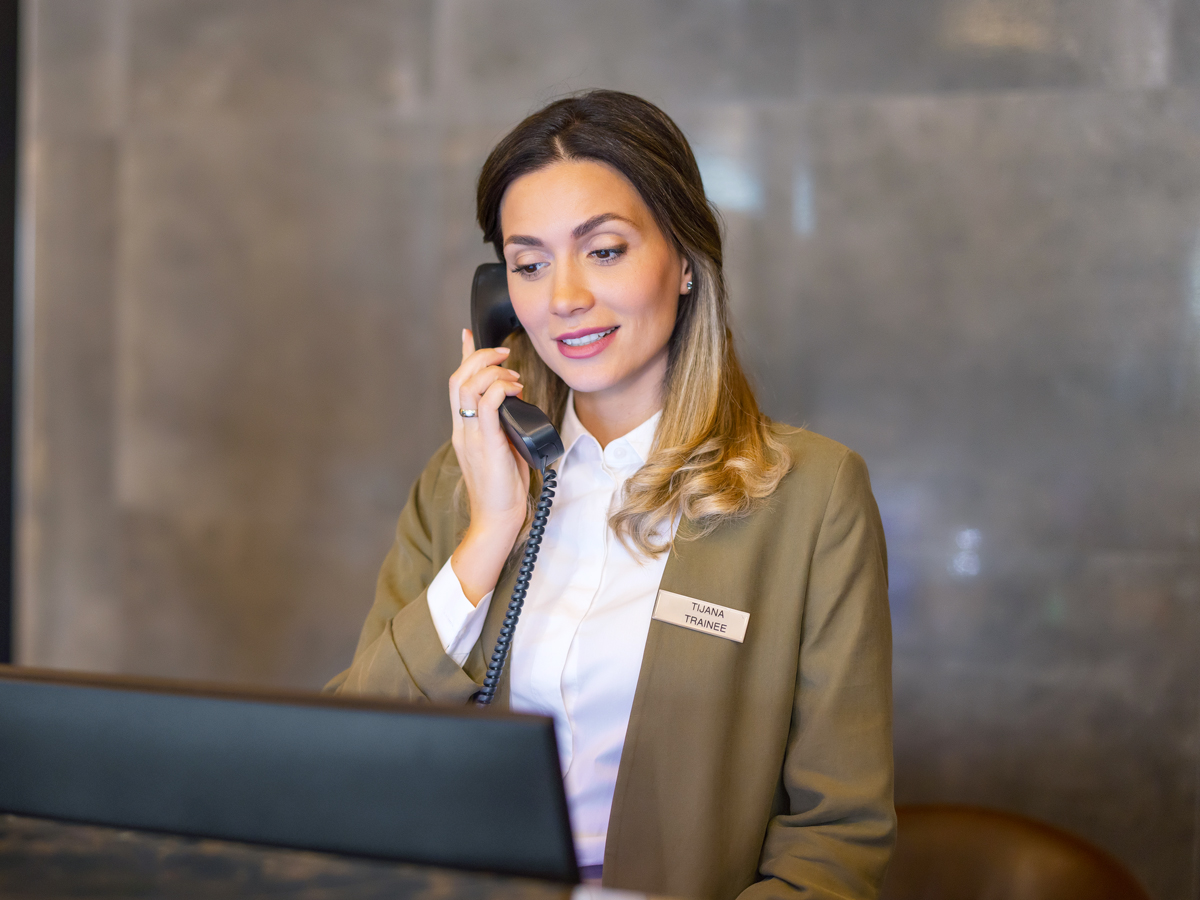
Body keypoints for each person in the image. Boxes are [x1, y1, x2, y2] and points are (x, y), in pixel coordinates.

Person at [327, 90, 894, 900]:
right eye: (529, 264)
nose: (563, 298)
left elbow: (837, 841)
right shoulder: (460, 484)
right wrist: (490, 534)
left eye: (604, 251)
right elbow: (352, 752)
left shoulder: (813, 495)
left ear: (687, 262)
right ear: (500, 296)